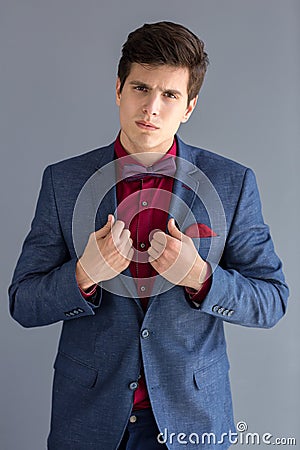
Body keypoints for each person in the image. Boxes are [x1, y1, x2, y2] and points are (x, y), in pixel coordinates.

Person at [9, 21, 289, 450]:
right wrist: (84, 274)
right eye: (141, 88)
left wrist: (201, 277)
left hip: (193, 421)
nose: (152, 108)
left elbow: (271, 301)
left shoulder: (233, 183)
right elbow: (23, 302)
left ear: (189, 106)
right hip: (89, 422)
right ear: (119, 89)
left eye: (170, 95)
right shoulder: (62, 182)